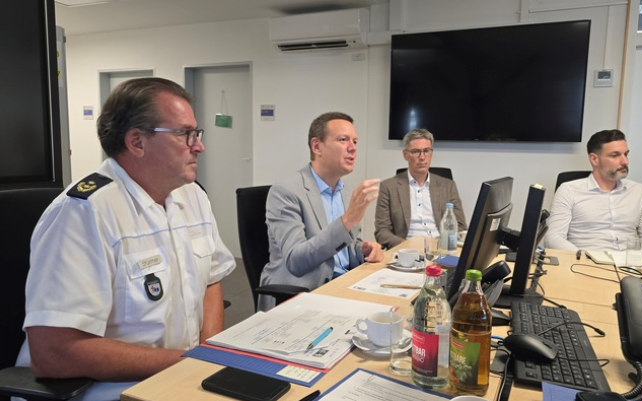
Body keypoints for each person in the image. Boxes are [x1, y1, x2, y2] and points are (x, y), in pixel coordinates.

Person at [16, 77, 236, 400]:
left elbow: (211, 280)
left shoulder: (192, 196)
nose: (199, 146)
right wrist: (189, 363)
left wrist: (207, 357)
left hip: (179, 377)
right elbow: (53, 352)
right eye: (184, 134)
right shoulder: (84, 213)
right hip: (108, 389)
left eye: (196, 133)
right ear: (136, 142)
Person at [259, 111, 384, 311]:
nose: (352, 148)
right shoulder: (285, 192)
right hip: (303, 294)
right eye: (343, 140)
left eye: (355, 141)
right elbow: (296, 261)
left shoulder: (345, 192)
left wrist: (363, 250)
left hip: (343, 285)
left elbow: (345, 251)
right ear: (317, 146)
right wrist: (347, 221)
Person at [545, 129, 642, 261]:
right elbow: (553, 237)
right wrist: (582, 258)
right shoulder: (569, 190)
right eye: (615, 155)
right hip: (587, 266)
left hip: (630, 266)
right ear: (594, 159)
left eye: (626, 154)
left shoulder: (638, 191)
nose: (625, 161)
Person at [374, 128, 467, 250]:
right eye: (416, 151)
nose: (422, 157)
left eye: (426, 151)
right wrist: (406, 245)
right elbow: (382, 231)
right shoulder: (388, 187)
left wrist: (443, 245)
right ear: (405, 155)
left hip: (441, 248)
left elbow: (460, 226)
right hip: (406, 249)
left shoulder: (448, 186)